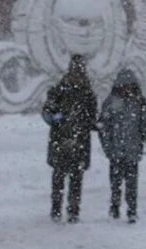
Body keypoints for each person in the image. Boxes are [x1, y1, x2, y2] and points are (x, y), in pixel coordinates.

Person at [97, 68, 146, 223]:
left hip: (132, 150)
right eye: (125, 85)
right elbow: (103, 127)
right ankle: (115, 207)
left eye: (130, 85)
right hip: (116, 151)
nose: (128, 88)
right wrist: (108, 147)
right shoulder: (111, 102)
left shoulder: (140, 102)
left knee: (132, 183)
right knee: (115, 183)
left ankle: (132, 210)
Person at [41, 54, 97, 224]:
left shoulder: (88, 95)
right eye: (74, 73)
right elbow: (47, 112)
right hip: (60, 141)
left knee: (76, 179)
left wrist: (92, 124)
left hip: (79, 143)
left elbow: (92, 117)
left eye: (79, 74)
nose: (76, 77)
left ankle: (73, 210)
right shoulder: (58, 91)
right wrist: (55, 117)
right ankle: (56, 209)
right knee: (58, 178)